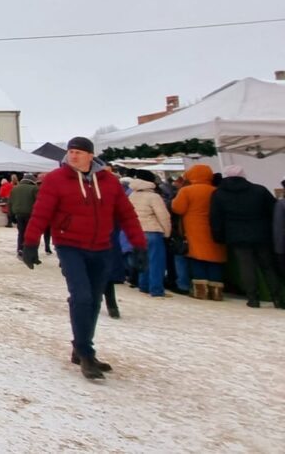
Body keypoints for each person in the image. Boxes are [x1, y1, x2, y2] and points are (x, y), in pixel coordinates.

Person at [22, 137, 146, 380]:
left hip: (101, 246)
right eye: (70, 152)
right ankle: (86, 353)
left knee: (95, 299)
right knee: (81, 296)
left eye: (78, 152)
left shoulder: (109, 182)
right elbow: (41, 213)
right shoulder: (56, 180)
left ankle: (81, 346)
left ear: (91, 155)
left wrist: (139, 245)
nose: (73, 156)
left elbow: (127, 214)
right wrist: (30, 243)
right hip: (69, 245)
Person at [210, 165, 284, 309]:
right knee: (268, 266)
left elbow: (215, 218)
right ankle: (278, 298)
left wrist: (218, 236)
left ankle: (253, 298)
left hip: (236, 236)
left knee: (246, 267)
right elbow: (272, 210)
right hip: (262, 234)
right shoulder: (259, 190)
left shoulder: (218, 194)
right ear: (244, 175)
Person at [171, 164, 226, 300]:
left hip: (194, 228)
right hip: (214, 228)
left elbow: (178, 209)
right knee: (215, 259)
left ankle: (201, 291)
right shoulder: (215, 190)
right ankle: (216, 291)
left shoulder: (186, 191)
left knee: (197, 258)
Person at [127, 170, 172, 298]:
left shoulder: (132, 195)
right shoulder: (153, 197)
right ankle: (156, 289)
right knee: (156, 261)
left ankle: (144, 285)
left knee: (143, 260)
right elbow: (163, 216)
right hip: (152, 231)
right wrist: (167, 232)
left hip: (137, 231)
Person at [9, 174, 39, 258]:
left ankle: (20, 249)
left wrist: (11, 216)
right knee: (31, 233)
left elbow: (10, 203)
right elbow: (38, 202)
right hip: (31, 214)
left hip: (18, 214)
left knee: (21, 232)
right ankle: (29, 251)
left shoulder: (14, 188)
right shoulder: (35, 188)